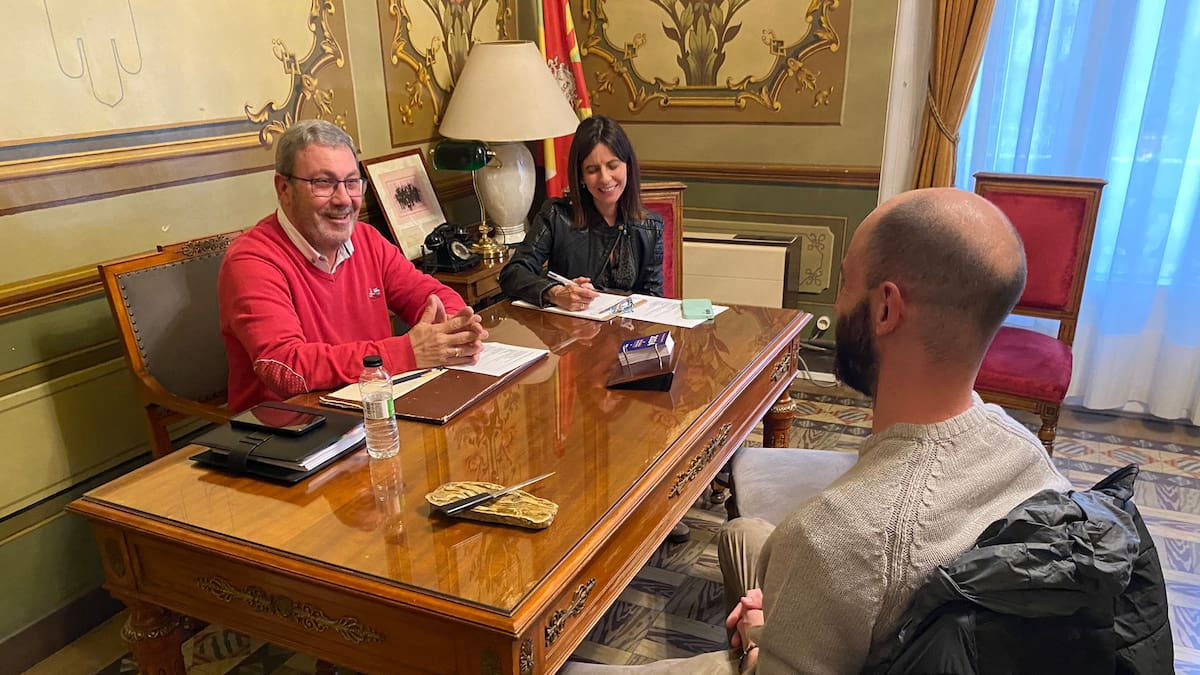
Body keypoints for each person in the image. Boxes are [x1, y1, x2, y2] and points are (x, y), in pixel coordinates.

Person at [561, 188, 1072, 674]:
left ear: (886, 309)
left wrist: (760, 635)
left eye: (846, 281)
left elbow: (838, 555)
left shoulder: (833, 536)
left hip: (811, 624)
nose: (836, 302)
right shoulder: (1028, 454)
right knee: (741, 533)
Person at [219, 120, 487, 412]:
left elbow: (430, 294)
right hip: (291, 431)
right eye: (323, 183)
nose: (344, 199)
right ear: (284, 188)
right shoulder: (252, 261)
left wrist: (453, 328)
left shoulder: (366, 239)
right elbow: (286, 368)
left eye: (351, 182)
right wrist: (408, 352)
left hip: (373, 411)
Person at [498, 115, 664, 311]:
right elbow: (513, 273)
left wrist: (607, 300)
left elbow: (653, 298)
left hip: (626, 332)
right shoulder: (556, 215)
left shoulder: (651, 226)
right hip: (570, 333)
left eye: (613, 166)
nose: (605, 178)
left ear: (627, 165)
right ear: (581, 176)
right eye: (592, 170)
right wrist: (557, 292)